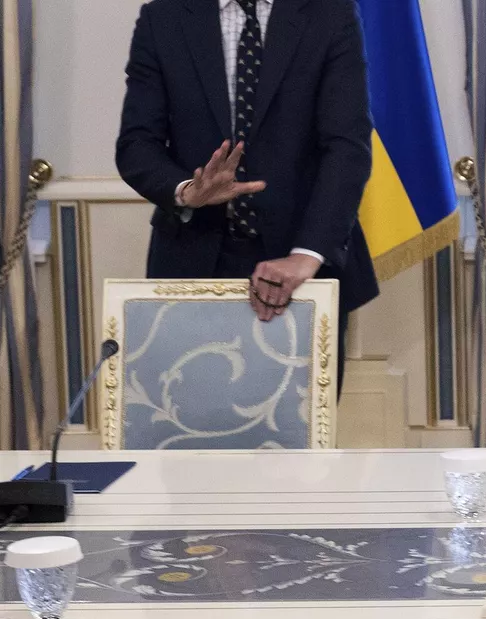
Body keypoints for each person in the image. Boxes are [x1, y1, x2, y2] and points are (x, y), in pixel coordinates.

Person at [117, 0, 377, 358]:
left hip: (302, 265)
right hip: (193, 263)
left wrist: (307, 254)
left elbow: (348, 147)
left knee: (303, 414)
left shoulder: (329, 12)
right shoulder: (163, 17)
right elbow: (136, 144)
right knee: (190, 410)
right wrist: (187, 191)